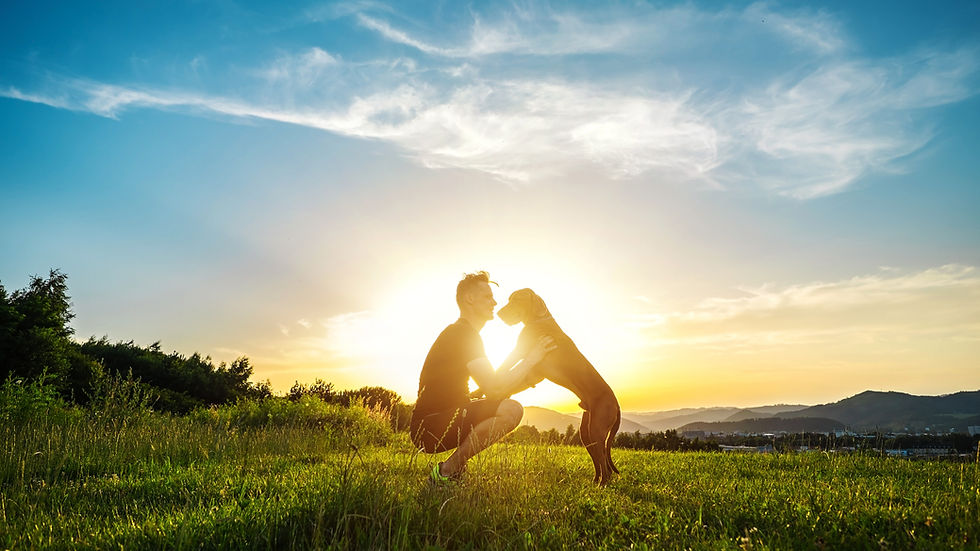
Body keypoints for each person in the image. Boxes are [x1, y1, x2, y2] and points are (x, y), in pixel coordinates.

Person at [410, 271, 556, 483]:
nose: (495, 302)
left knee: (502, 404)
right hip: (429, 428)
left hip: (441, 421)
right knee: (512, 409)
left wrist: (529, 377)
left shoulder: (465, 334)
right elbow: (495, 388)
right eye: (488, 297)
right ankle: (446, 473)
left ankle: (453, 470)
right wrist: (531, 359)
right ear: (470, 299)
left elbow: (491, 388)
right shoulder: (462, 334)